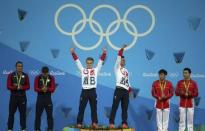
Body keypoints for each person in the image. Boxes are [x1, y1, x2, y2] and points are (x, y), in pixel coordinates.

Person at [70, 47, 107, 128]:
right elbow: (77, 62)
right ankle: (79, 123)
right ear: (86, 63)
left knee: (94, 109)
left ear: (93, 63)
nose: (89, 64)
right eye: (88, 63)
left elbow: (100, 62)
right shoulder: (83, 70)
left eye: (90, 63)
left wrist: (104, 53)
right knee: (81, 108)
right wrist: (73, 53)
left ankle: (94, 123)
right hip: (84, 91)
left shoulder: (96, 70)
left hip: (93, 91)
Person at [109, 45, 131, 128]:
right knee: (115, 107)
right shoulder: (116, 68)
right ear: (119, 61)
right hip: (118, 90)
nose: (124, 61)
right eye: (122, 60)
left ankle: (124, 123)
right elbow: (118, 57)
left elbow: (128, 81)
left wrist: (130, 90)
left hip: (125, 91)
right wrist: (122, 49)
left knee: (124, 108)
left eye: (124, 60)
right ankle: (111, 123)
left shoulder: (126, 70)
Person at [7, 61, 30, 131]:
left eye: (21, 66)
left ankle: (23, 129)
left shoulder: (25, 75)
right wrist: (16, 87)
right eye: (18, 66)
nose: (20, 67)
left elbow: (28, 86)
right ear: (16, 67)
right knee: (11, 114)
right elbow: (8, 86)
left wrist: (21, 87)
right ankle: (10, 129)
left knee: (23, 114)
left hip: (22, 97)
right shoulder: (11, 75)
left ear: (22, 67)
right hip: (13, 97)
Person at [34, 66, 56, 131]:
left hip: (48, 99)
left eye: (46, 73)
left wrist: (47, 89)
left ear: (48, 72)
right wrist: (41, 89)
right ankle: (37, 129)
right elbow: (35, 88)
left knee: (50, 116)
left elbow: (53, 89)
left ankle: (50, 129)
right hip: (40, 98)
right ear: (41, 72)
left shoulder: (51, 78)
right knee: (38, 116)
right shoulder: (37, 77)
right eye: (44, 73)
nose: (45, 75)